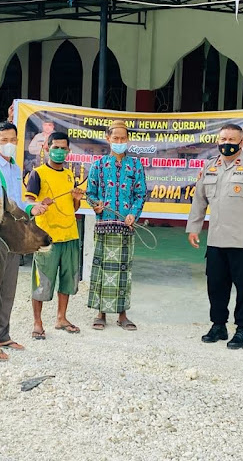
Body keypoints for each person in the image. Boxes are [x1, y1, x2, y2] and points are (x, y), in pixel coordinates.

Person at [186, 124, 243, 349]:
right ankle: (218, 326)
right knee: (216, 286)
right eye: (223, 139)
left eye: (232, 140)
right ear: (217, 141)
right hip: (216, 240)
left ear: (242, 143)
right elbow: (199, 200)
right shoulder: (209, 167)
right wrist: (193, 227)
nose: (227, 143)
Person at [0, 121, 49, 361]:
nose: (9, 144)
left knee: (8, 287)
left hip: (14, 236)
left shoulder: (15, 168)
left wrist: (33, 207)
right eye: (4, 140)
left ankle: (3, 334)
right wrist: (19, 209)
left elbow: (17, 200)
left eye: (13, 140)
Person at [86, 120, 146, 331]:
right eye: (115, 138)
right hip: (104, 224)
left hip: (126, 226)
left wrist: (133, 214)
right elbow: (90, 193)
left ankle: (122, 314)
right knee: (101, 268)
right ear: (108, 138)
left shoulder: (136, 166)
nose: (119, 141)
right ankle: (100, 313)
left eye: (123, 138)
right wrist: (96, 205)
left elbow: (141, 194)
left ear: (127, 140)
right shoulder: (98, 165)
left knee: (123, 270)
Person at [25, 132, 84, 340]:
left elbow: (73, 208)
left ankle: (61, 317)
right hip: (46, 238)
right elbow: (28, 201)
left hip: (70, 234)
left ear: (68, 151)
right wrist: (39, 205)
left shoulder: (69, 175)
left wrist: (76, 199)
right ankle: (38, 323)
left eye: (63, 148)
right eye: (55, 147)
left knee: (68, 279)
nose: (59, 151)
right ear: (47, 148)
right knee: (42, 280)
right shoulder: (37, 174)